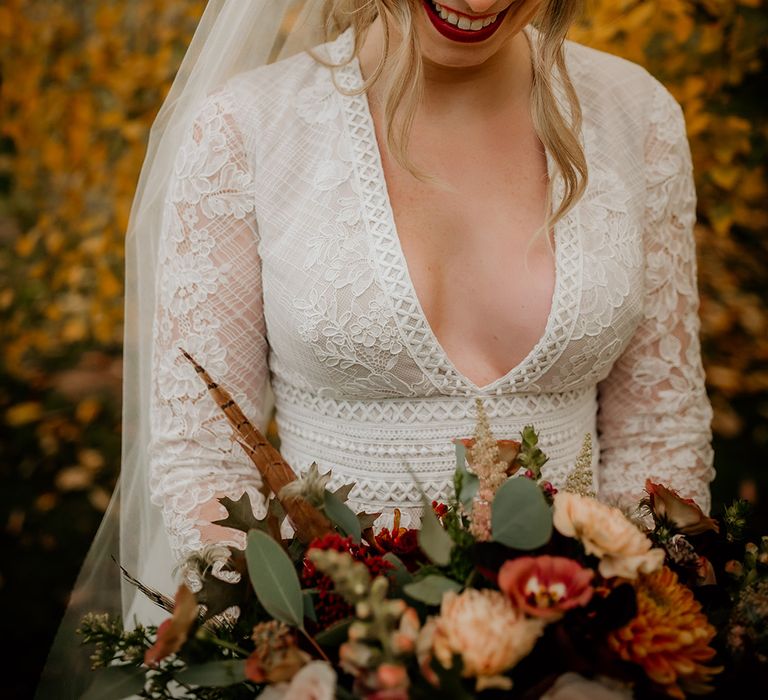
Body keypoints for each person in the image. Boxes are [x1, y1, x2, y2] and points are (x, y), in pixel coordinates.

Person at [37, 0, 716, 696]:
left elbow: (658, 431)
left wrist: (615, 642)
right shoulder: (247, 128)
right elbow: (202, 452)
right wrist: (309, 653)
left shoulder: (638, 115)